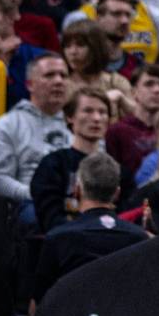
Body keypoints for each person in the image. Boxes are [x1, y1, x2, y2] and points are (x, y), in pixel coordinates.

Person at [31, 153, 147, 306]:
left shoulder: (58, 238)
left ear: (77, 190)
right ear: (117, 193)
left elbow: (38, 305)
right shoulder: (139, 238)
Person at [0, 55, 73, 216]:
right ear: (30, 84)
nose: (58, 81)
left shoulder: (79, 123)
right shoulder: (9, 124)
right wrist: (37, 194)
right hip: (30, 207)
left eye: (63, 75)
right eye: (49, 75)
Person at [30, 89, 112, 231]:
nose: (97, 118)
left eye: (102, 112)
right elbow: (49, 218)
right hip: (67, 238)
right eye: (88, 111)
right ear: (70, 117)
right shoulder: (53, 165)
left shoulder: (117, 169)